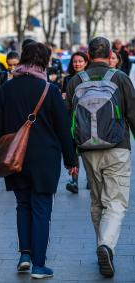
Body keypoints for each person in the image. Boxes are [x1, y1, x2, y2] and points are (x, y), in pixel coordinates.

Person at [0, 42, 77, 279]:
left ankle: (24, 255)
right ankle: (39, 266)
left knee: (23, 206)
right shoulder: (48, 90)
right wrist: (70, 160)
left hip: (14, 158)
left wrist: (10, 146)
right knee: (41, 209)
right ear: (44, 62)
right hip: (44, 159)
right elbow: (63, 129)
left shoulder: (7, 88)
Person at [67, 37, 135, 278]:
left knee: (97, 201)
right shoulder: (120, 78)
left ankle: (104, 245)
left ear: (88, 54)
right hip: (118, 147)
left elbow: (70, 121)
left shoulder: (76, 80)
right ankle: (105, 245)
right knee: (116, 201)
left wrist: (71, 159)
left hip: (87, 150)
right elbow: (132, 113)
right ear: (109, 54)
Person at [61, 51, 89, 194]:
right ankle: (74, 181)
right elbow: (63, 98)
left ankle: (91, 179)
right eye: (75, 61)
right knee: (73, 153)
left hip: (88, 119)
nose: (77, 64)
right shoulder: (67, 79)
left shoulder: (90, 77)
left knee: (87, 150)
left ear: (86, 63)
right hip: (72, 119)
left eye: (80, 61)